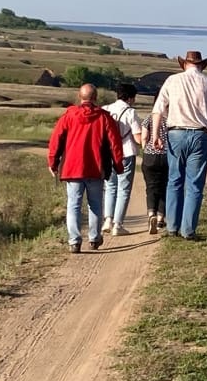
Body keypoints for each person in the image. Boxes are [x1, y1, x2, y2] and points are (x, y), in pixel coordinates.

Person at [150, 49, 207, 239]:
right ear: (201, 65)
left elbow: (158, 110)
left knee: (174, 181)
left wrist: (155, 135)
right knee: (195, 185)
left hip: (176, 133)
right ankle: (188, 230)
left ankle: (173, 227)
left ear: (184, 64)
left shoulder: (173, 81)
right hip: (201, 135)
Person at [46, 82, 124, 252]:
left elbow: (56, 140)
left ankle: (74, 241)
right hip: (96, 168)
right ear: (95, 98)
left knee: (73, 204)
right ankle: (94, 238)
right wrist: (118, 166)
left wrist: (53, 162)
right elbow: (115, 144)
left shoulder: (69, 116)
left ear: (79, 96)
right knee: (95, 204)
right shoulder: (104, 117)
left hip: (72, 168)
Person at [102, 80, 140, 235]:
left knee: (110, 187)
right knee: (123, 189)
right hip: (126, 152)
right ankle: (118, 225)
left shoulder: (105, 109)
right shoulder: (131, 112)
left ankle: (107, 220)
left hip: (108, 153)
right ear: (130, 98)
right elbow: (138, 138)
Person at [138, 108, 169, 234]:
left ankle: (151, 214)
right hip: (166, 155)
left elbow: (144, 137)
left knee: (151, 187)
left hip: (150, 156)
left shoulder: (149, 118)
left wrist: (145, 149)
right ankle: (161, 218)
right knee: (164, 187)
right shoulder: (171, 119)